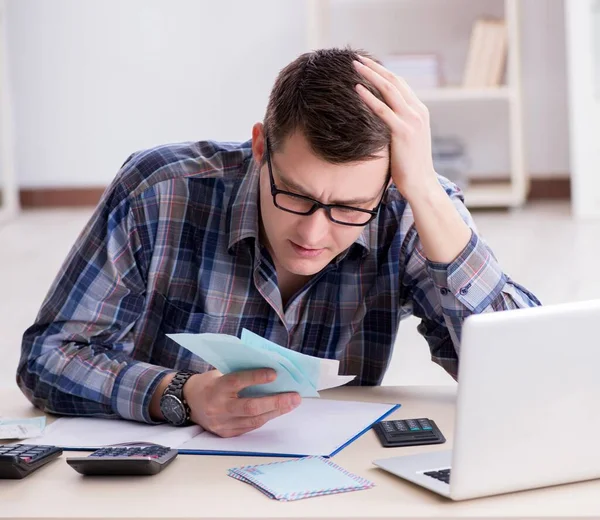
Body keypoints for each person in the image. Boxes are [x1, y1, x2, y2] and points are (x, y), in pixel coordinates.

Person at [17, 48, 540, 438]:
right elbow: (47, 358)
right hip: (166, 471)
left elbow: (523, 376)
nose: (313, 233)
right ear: (261, 146)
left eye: (350, 208)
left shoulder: (411, 206)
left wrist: (425, 191)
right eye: (295, 194)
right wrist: (180, 394)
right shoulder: (160, 190)